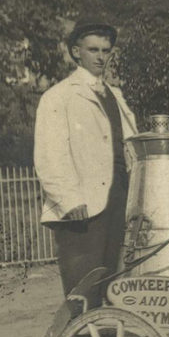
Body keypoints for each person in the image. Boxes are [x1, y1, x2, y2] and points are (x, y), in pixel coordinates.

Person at [34, 17, 138, 299]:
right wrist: (69, 200)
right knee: (83, 287)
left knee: (113, 284)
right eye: (93, 50)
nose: (101, 57)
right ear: (76, 51)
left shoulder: (116, 96)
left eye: (106, 51)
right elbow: (49, 153)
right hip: (82, 206)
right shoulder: (59, 97)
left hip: (118, 198)